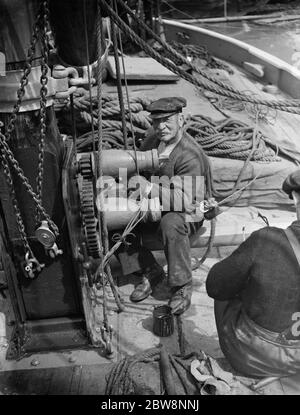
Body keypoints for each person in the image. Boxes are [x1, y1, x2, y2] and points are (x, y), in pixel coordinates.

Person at [116, 96, 212, 315]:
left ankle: (181, 285)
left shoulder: (190, 155)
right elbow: (135, 169)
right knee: (114, 219)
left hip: (187, 215)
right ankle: (149, 270)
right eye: (156, 121)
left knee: (171, 223)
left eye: (167, 120)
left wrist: (148, 188)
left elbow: (186, 201)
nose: (161, 127)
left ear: (181, 118)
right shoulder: (152, 141)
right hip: (155, 208)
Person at [206, 169, 300, 378]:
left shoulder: (267, 239)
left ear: (295, 198)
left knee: (227, 285)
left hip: (255, 361)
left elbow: (214, 286)